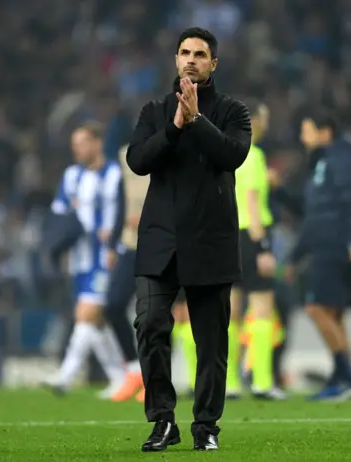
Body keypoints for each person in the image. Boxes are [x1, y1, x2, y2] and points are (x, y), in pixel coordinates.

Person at [126, 28, 251, 452]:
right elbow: (138, 160)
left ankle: (206, 427)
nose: (191, 59)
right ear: (175, 60)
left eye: (200, 54)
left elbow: (232, 155)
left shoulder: (234, 112)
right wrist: (176, 127)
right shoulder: (155, 111)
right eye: (184, 53)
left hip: (210, 242)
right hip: (160, 240)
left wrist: (196, 121)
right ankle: (163, 420)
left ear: (213, 64)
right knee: (149, 325)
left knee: (211, 344)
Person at [285, 110, 351, 401]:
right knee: (333, 313)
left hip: (334, 247)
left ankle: (347, 375)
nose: (302, 137)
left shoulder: (340, 160)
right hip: (326, 244)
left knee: (316, 308)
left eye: (307, 130)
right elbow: (312, 213)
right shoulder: (323, 164)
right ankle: (343, 377)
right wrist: (279, 193)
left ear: (325, 132)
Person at [43, 122, 127, 398]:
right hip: (79, 259)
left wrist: (115, 239)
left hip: (106, 256)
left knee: (86, 314)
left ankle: (65, 376)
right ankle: (121, 377)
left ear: (97, 143)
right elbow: (60, 214)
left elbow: (124, 210)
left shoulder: (115, 174)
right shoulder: (71, 177)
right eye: (74, 144)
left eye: (81, 143)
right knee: (97, 321)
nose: (76, 149)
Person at [228, 99, 285, 400]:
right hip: (250, 237)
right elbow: (251, 201)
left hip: (225, 237)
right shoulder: (254, 155)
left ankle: (229, 384)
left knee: (231, 312)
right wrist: (263, 246)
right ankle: (262, 382)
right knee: (262, 307)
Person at [105, 144, 145, 403]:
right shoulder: (126, 158)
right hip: (130, 246)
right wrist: (112, 243)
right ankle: (133, 370)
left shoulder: (174, 152)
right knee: (112, 305)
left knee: (154, 314)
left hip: (163, 245)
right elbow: (123, 201)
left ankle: (156, 378)